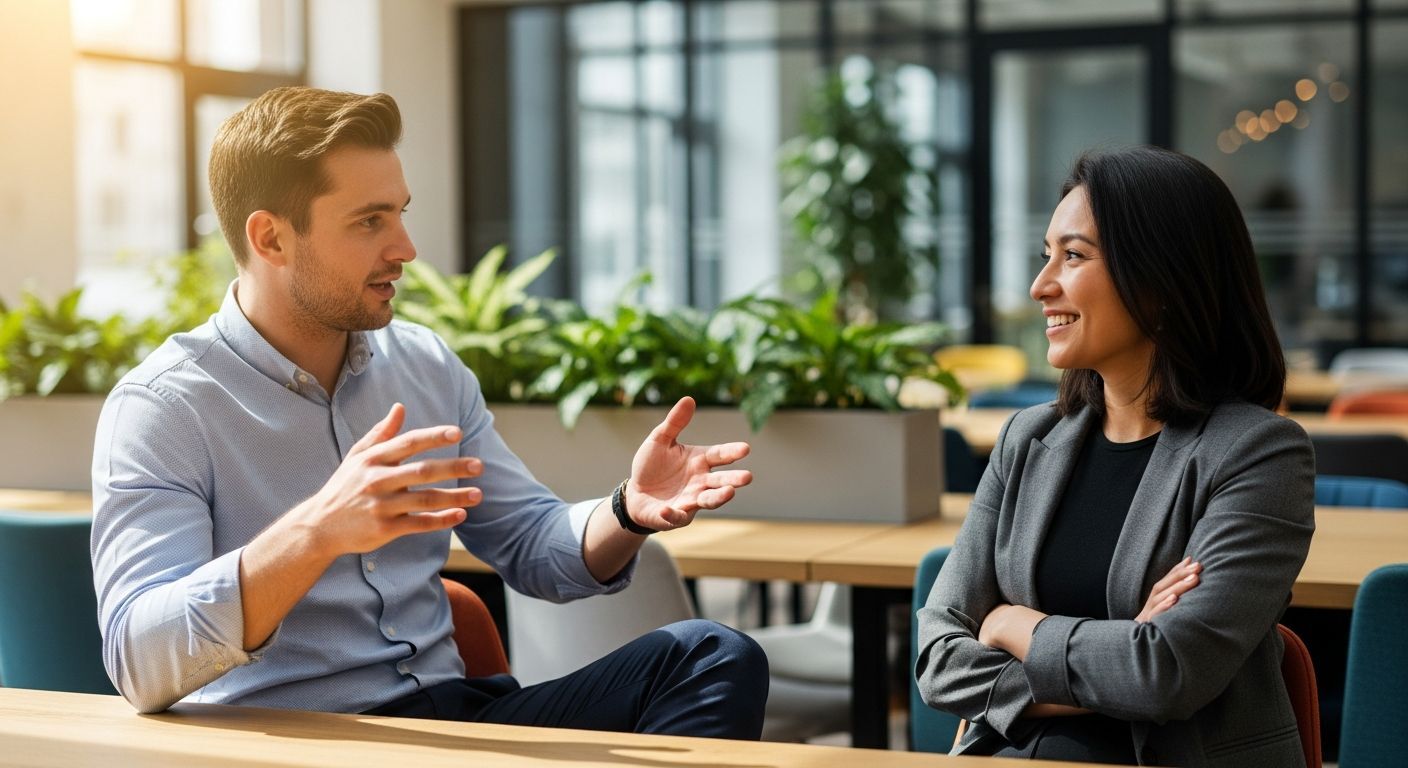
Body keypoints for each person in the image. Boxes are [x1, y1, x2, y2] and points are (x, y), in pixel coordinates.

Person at [90, 86, 768, 739]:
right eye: (369, 221)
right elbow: (139, 662)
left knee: (710, 655)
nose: (406, 249)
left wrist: (625, 509)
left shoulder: (423, 364)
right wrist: (317, 531)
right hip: (307, 741)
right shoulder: (164, 409)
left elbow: (532, 543)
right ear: (270, 238)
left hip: (456, 719)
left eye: (400, 213)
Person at [914, 146, 1315, 765]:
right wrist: (1121, 650)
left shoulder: (1259, 454)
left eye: (1072, 256)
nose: (1040, 285)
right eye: (1046, 255)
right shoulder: (1028, 439)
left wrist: (1010, 626)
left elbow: (1165, 673)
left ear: (1162, 279)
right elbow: (938, 660)